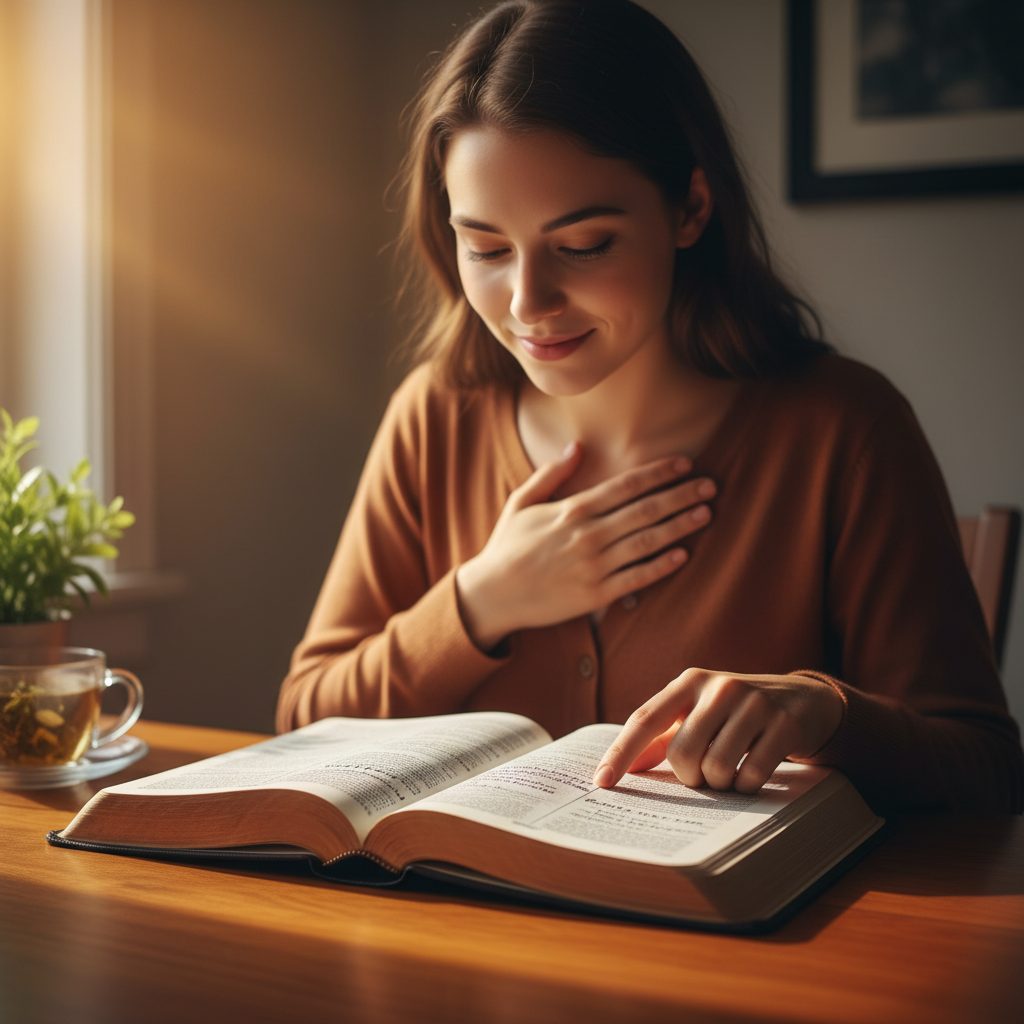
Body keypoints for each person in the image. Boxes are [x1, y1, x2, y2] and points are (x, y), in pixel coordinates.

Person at [277, 0, 1023, 812]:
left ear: (690, 209)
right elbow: (305, 717)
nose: (528, 301)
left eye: (584, 245)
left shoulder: (843, 429)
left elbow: (985, 770)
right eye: (486, 248)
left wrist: (825, 712)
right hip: (463, 928)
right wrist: (481, 601)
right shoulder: (433, 417)